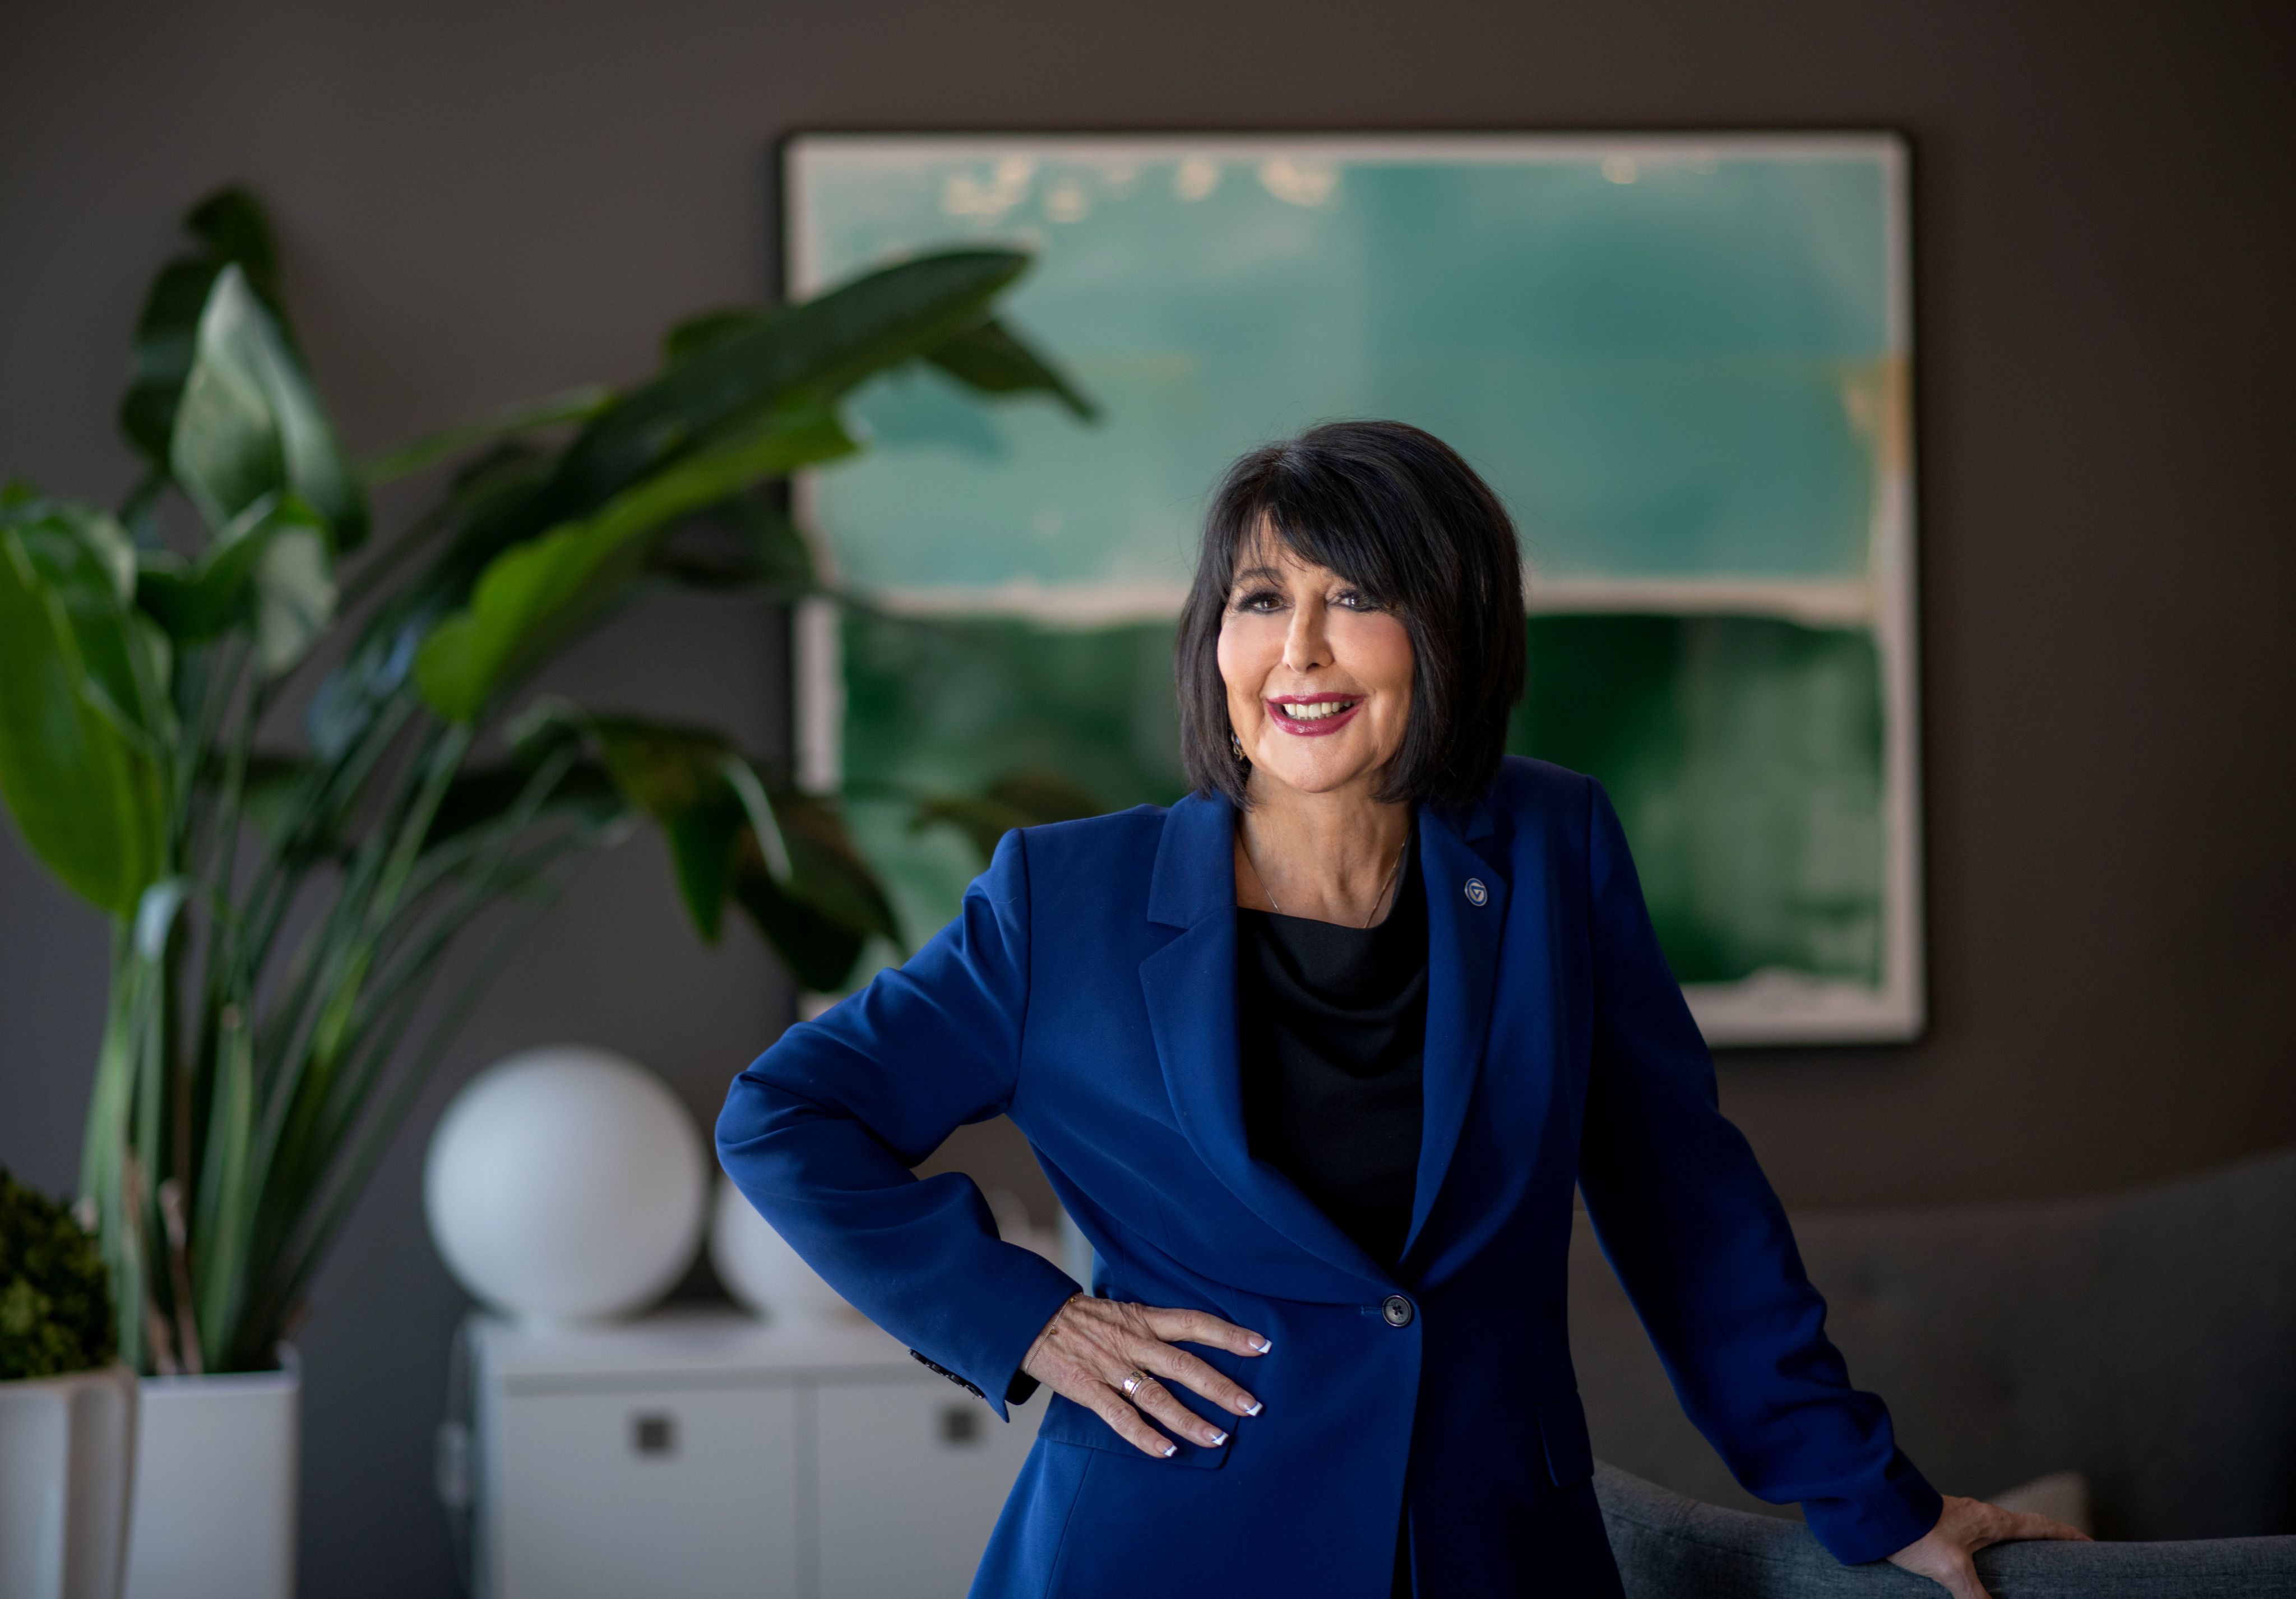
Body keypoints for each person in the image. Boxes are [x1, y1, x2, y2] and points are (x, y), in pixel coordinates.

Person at [717, 421, 2083, 1598]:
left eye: (1352, 596)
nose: (1297, 650)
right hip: (1163, 1544)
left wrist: (1871, 1499)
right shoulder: (1061, 897)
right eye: (1259, 599)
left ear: (1446, 629)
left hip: (1489, 1546)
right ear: (1212, 639)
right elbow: (786, 1112)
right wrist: (1024, 1322)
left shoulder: (1553, 849)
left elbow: (1685, 1209)